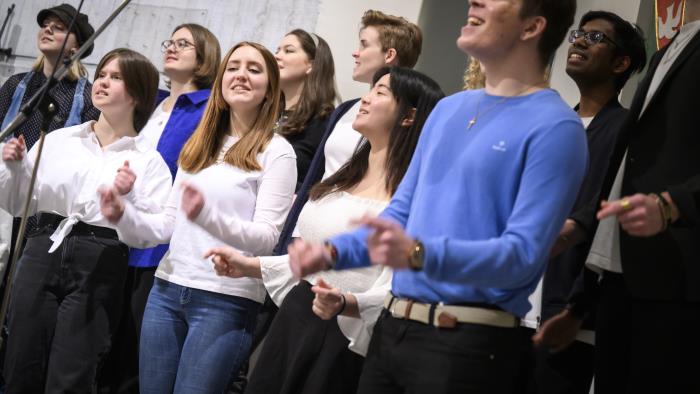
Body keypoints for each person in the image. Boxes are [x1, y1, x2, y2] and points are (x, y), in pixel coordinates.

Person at [288, 0, 588, 393]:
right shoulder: (449, 110)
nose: (474, 1)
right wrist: (331, 252)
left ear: (532, 27)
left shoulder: (556, 126)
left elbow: (521, 256)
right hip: (392, 330)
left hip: (468, 346)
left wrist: (417, 254)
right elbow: (399, 215)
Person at [206, 66, 443, 394]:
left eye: (381, 92)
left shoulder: (416, 198)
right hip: (298, 312)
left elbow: (400, 286)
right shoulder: (344, 176)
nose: (367, 98)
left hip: (345, 333)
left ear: (408, 116)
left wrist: (346, 302)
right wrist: (251, 266)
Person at [99, 41, 296, 393]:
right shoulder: (198, 144)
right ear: (221, 81)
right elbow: (167, 225)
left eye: (254, 69)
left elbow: (267, 237)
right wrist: (123, 214)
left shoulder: (277, 151)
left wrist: (207, 218)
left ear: (270, 91)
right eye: (234, 67)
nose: (241, 75)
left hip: (225, 298)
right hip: (167, 288)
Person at [0, 48, 169, 393]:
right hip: (41, 247)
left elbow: (154, 233)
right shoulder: (60, 140)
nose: (102, 82)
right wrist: (13, 168)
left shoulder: (147, 160)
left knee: (72, 374)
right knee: (20, 363)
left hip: (100, 259)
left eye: (116, 77)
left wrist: (126, 206)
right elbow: (17, 203)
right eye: (102, 74)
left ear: (137, 92)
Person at [561, 1, 700, 392]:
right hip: (618, 276)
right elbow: (626, 166)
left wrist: (673, 204)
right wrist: (582, 225)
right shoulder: (668, 51)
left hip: (677, 274)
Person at [526, 10, 646, 394]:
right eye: (579, 34)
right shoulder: (555, 124)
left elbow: (601, 218)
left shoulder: (625, 130)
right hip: (516, 302)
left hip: (567, 314)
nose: (578, 41)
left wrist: (578, 307)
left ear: (620, 63)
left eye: (595, 39)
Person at [97, 23, 221, 393]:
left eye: (184, 44)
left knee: (137, 348)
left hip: (160, 240)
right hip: (118, 230)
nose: (172, 48)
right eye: (171, 41)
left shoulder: (209, 108)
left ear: (204, 58)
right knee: (106, 338)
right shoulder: (150, 102)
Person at [0, 3, 99, 279]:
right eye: (46, 25)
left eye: (59, 28)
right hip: (5, 193)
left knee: (22, 280)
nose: (48, 29)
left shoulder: (89, 97)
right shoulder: (16, 85)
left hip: (45, 203)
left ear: (76, 47)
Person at [274, 29, 337, 191]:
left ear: (312, 65)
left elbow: (321, 183)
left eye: (288, 51)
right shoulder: (263, 111)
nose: (277, 56)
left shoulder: (325, 122)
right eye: (277, 50)